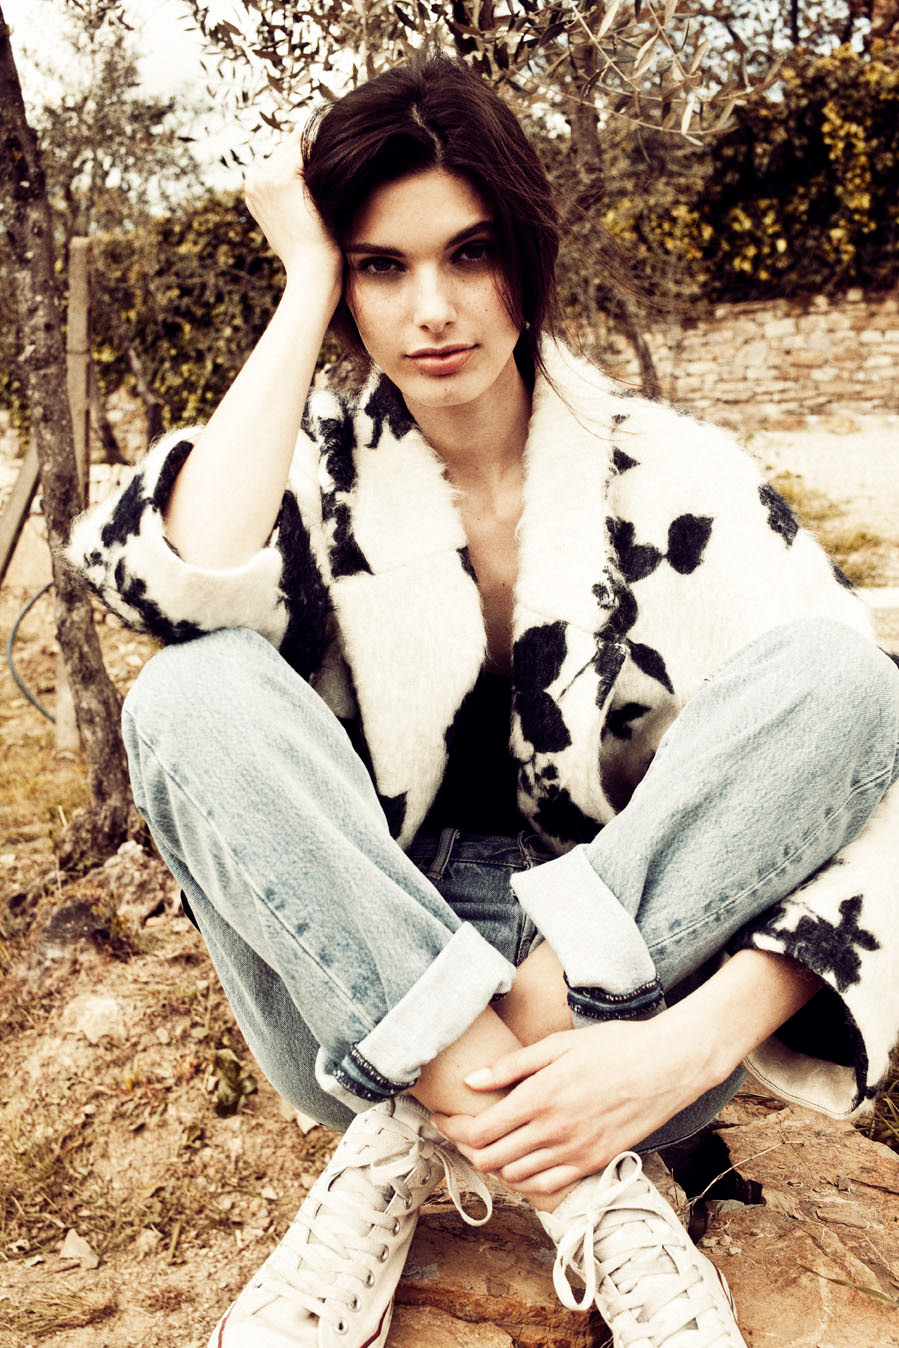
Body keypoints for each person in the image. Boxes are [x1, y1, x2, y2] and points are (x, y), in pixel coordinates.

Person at [67, 48, 899, 1348]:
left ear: (528, 249)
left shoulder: (672, 474)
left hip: (626, 1019)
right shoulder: (312, 476)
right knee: (189, 691)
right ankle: (571, 1184)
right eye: (381, 266)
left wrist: (685, 1053)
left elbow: (863, 763)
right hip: (357, 991)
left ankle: (430, 1123)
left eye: (471, 253)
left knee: (844, 678)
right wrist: (301, 284)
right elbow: (176, 576)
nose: (433, 309)